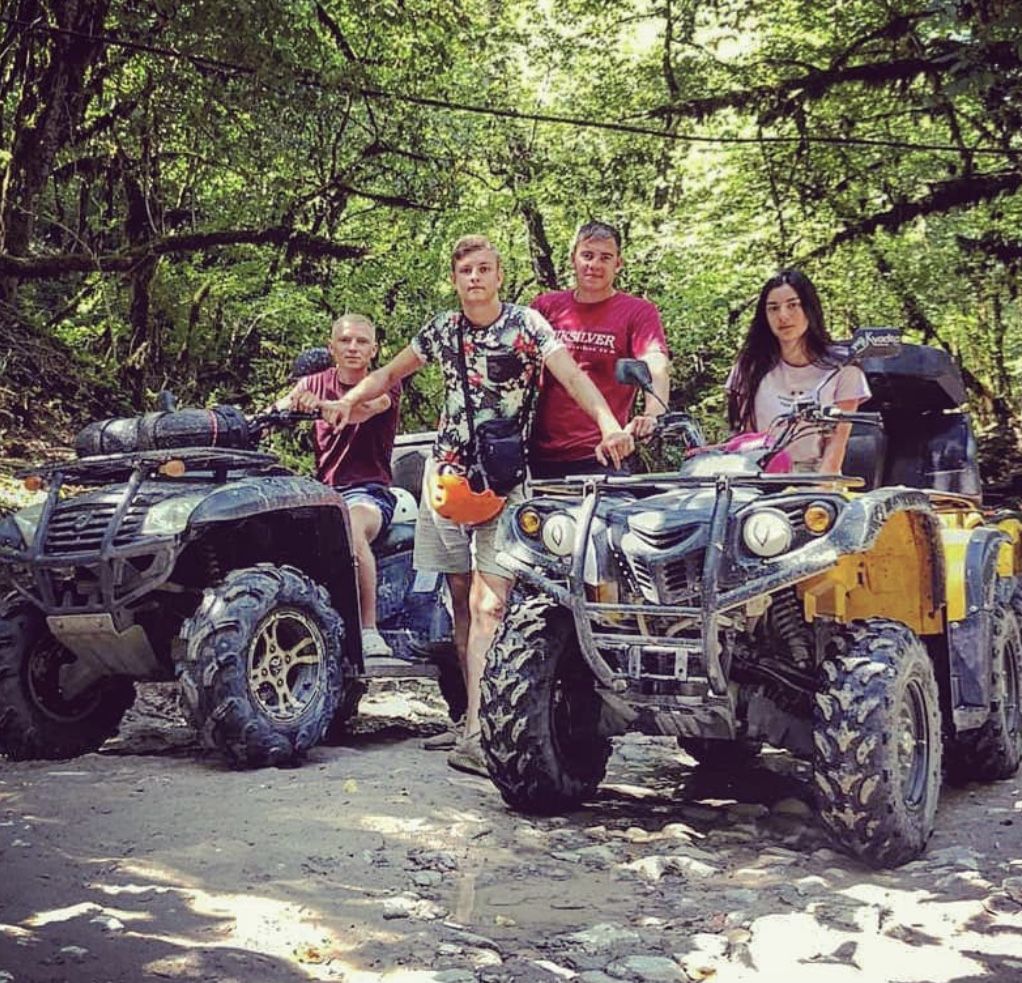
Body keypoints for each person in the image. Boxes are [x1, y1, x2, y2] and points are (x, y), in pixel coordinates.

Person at [317, 234, 634, 775]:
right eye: (466, 271)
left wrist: (608, 425)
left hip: (504, 483)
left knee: (491, 605)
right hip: (446, 481)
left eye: (484, 269)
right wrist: (347, 401)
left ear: (499, 276)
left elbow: (571, 376)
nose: (475, 278)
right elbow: (390, 373)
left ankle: (486, 733)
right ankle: (470, 720)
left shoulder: (527, 326)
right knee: (460, 603)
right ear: (455, 279)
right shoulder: (443, 329)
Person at [278, 314, 401, 658]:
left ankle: (368, 629)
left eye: (362, 341)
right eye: (345, 340)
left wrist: (319, 406)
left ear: (374, 350)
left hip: (369, 492)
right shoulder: (313, 383)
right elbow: (273, 413)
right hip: (325, 493)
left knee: (350, 524)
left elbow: (361, 411)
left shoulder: (384, 383)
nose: (353, 347)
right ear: (331, 347)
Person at [529, 220, 670, 478]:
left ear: (618, 264)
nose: (594, 265)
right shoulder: (545, 307)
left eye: (605, 258)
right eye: (587, 255)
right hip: (536, 455)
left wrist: (652, 414)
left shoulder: (638, 311)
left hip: (605, 451)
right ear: (573, 259)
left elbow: (655, 364)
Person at [725, 269, 871, 473]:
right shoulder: (749, 366)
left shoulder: (844, 367)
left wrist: (820, 489)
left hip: (815, 476)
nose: (783, 316)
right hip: (758, 474)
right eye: (773, 308)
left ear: (810, 308)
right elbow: (746, 438)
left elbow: (836, 445)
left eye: (793, 305)